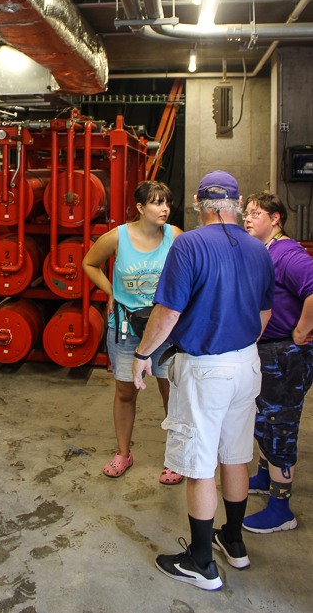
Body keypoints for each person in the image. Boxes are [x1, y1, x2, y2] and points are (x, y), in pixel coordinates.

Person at [132, 171, 275, 591]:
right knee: (235, 456)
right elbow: (264, 316)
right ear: (237, 202)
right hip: (246, 364)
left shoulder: (188, 244)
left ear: (199, 202)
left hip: (205, 367)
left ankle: (200, 563)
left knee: (199, 465)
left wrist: (142, 355)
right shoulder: (259, 249)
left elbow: (168, 313)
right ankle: (233, 541)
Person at [82, 181, 183, 482]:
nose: (164, 208)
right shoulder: (117, 237)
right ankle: (123, 453)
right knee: (125, 392)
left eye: (166, 202)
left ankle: (175, 459)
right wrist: (110, 290)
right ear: (140, 208)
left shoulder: (175, 236)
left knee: (171, 392)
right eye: (156, 203)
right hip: (126, 327)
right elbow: (89, 263)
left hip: (165, 329)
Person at [242, 192, 313, 534]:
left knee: (280, 425)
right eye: (246, 213)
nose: (248, 218)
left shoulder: (288, 254)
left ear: (276, 219)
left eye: (256, 213)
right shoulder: (264, 251)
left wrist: (301, 331)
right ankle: (263, 476)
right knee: (264, 419)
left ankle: (281, 509)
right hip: (268, 351)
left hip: (287, 353)